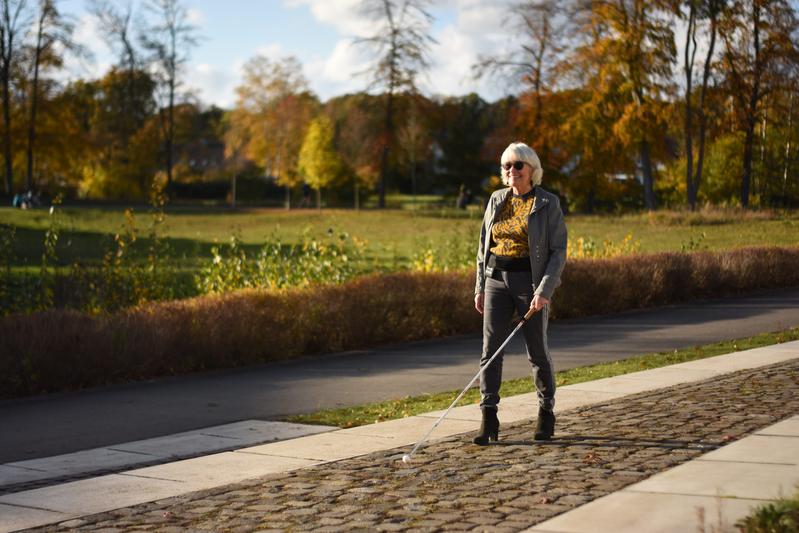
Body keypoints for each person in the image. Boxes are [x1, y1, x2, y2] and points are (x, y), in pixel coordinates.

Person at [473, 141, 567, 445]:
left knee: (537, 351)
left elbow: (558, 251)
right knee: (491, 352)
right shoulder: (496, 200)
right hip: (496, 281)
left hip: (530, 284)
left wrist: (545, 289)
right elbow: (482, 249)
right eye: (506, 166)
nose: (511, 170)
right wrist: (480, 287)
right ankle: (489, 418)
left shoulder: (547, 203)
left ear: (531, 169)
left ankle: (546, 412)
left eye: (517, 165)